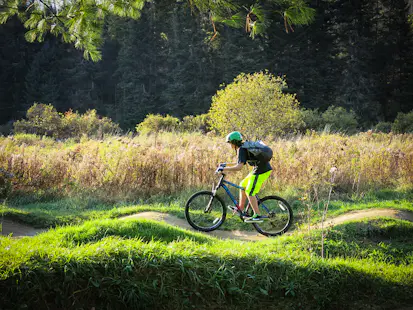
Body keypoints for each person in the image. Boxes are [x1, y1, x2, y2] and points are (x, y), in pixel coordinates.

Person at [217, 131, 272, 223]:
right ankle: (241, 208)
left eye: (230, 143)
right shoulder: (242, 147)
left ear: (234, 142)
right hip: (258, 169)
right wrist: (225, 164)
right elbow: (240, 162)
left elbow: (239, 167)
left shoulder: (241, 149)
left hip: (261, 170)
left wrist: (224, 169)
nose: (230, 145)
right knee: (243, 185)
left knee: (250, 191)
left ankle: (257, 215)